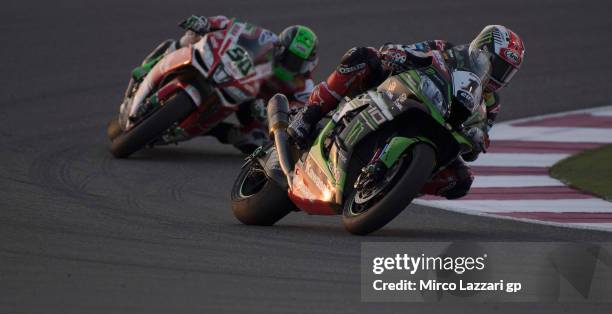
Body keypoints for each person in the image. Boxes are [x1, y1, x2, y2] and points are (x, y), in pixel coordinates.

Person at [287, 25, 525, 199]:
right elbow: (403, 51)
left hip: (439, 130)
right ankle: (307, 116)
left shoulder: (491, 104)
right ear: (481, 50)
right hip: (400, 93)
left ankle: (395, 183)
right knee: (363, 56)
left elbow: (480, 134)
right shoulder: (447, 51)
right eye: (499, 65)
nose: (499, 76)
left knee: (460, 181)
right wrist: (399, 54)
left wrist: (478, 140)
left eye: (507, 72)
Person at [132, 15, 319, 153]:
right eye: (286, 55)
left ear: (307, 65)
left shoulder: (304, 86)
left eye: (296, 62)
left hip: (253, 106)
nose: (288, 63)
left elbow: (299, 113)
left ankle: (207, 129)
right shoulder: (265, 39)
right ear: (279, 46)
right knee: (190, 37)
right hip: (235, 77)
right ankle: (150, 67)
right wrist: (207, 24)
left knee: (255, 141)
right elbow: (232, 26)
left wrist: (270, 115)